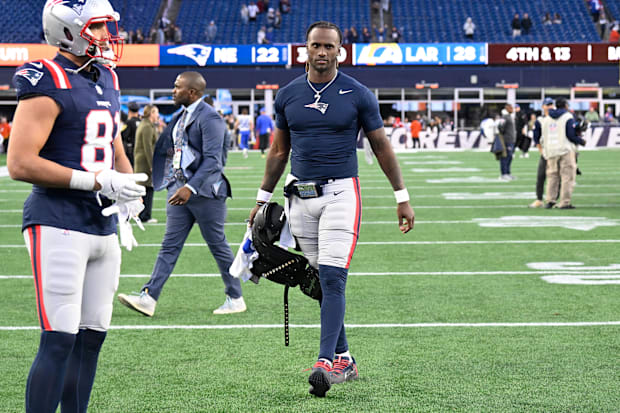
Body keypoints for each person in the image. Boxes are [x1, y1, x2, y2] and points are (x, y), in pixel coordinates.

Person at [247, 21, 414, 398]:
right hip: (300, 196)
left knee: (335, 278)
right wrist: (261, 198)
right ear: (304, 49)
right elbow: (278, 151)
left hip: (341, 193)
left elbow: (382, 147)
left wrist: (401, 196)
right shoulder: (288, 94)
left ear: (341, 51)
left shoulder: (357, 93)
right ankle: (345, 357)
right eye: (315, 45)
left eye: (329, 46)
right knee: (322, 281)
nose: (322, 52)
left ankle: (324, 362)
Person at [7, 1, 147, 412]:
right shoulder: (46, 77)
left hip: (101, 224)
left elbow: (112, 142)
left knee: (91, 338)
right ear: (69, 31)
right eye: (99, 27)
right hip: (57, 221)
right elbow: (19, 163)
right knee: (59, 338)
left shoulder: (106, 76)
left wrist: (128, 188)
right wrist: (94, 181)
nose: (108, 36)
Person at [117, 71, 246, 316]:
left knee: (218, 245)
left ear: (192, 92)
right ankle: (149, 297)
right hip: (179, 191)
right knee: (169, 245)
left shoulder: (211, 118)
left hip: (205, 194)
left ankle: (236, 296)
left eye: (177, 87)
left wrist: (191, 187)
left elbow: (213, 161)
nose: (173, 90)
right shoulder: (182, 115)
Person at [538, 98, 585, 209]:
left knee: (552, 176)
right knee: (567, 177)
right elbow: (570, 135)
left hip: (551, 150)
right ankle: (564, 202)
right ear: (565, 105)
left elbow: (542, 137)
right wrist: (581, 141)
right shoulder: (567, 117)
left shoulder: (546, 118)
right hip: (565, 149)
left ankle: (550, 200)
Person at [134, 104, 159, 223]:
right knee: (147, 188)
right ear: (150, 113)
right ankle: (145, 215)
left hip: (143, 160)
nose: (157, 115)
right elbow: (147, 147)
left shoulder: (147, 125)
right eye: (156, 112)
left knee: (146, 188)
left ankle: (144, 214)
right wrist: (152, 165)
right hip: (144, 161)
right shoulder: (147, 127)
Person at [529, 98, 555, 208]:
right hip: (546, 151)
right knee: (541, 176)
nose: (549, 107)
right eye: (547, 105)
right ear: (543, 107)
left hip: (557, 151)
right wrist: (542, 152)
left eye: (551, 105)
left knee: (556, 177)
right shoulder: (540, 120)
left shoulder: (559, 119)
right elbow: (536, 138)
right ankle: (539, 199)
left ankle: (554, 200)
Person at [497, 103, 517, 180]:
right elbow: (500, 127)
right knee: (505, 157)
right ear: (507, 108)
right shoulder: (505, 117)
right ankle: (504, 173)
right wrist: (504, 135)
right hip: (507, 140)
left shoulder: (509, 117)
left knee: (510, 157)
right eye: (510, 107)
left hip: (511, 140)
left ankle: (508, 173)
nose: (512, 109)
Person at [121, 101, 140, 166]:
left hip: (131, 152)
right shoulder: (142, 122)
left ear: (129, 111)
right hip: (139, 152)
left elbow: (123, 136)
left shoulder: (128, 123)